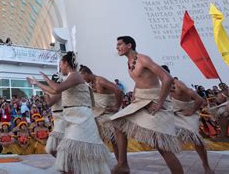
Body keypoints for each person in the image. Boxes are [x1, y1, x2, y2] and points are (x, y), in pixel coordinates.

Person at [28, 51, 110, 174]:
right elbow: (54, 91)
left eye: (60, 64)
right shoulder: (70, 78)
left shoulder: (75, 76)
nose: (60, 67)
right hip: (73, 118)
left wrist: (45, 78)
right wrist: (37, 83)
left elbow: (56, 89)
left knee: (74, 151)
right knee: (69, 152)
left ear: (66, 63)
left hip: (81, 118)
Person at [110, 36, 182, 174]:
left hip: (154, 101)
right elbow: (139, 81)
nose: (117, 47)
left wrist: (160, 102)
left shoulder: (143, 59)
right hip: (140, 101)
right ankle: (123, 164)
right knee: (118, 122)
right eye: (116, 45)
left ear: (129, 45)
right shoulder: (129, 63)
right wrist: (134, 95)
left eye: (120, 44)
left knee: (161, 145)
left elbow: (167, 78)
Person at [163, 65, 213, 174]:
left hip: (188, 114)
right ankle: (175, 167)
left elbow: (199, 99)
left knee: (196, 139)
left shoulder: (179, 84)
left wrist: (191, 111)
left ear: (168, 73)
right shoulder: (161, 86)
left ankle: (206, 165)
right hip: (174, 115)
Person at [80, 65, 122, 163]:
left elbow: (118, 90)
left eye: (82, 77)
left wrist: (117, 106)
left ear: (86, 73)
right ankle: (99, 163)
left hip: (108, 114)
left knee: (114, 140)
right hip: (97, 115)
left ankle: (121, 163)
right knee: (97, 139)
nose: (83, 80)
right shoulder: (90, 84)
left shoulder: (100, 81)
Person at [43, 73, 64, 157]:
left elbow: (49, 103)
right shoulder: (54, 90)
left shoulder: (60, 91)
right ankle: (62, 160)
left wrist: (45, 93)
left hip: (62, 117)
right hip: (57, 116)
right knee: (54, 148)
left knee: (55, 146)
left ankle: (65, 160)